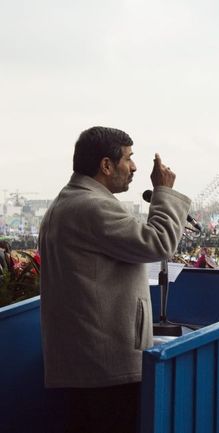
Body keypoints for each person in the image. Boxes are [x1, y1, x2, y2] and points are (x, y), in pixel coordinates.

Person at [39, 126, 192, 433]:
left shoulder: (64, 203)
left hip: (85, 359)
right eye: (128, 158)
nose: (134, 167)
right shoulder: (93, 206)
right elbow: (158, 243)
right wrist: (164, 193)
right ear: (106, 165)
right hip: (106, 364)